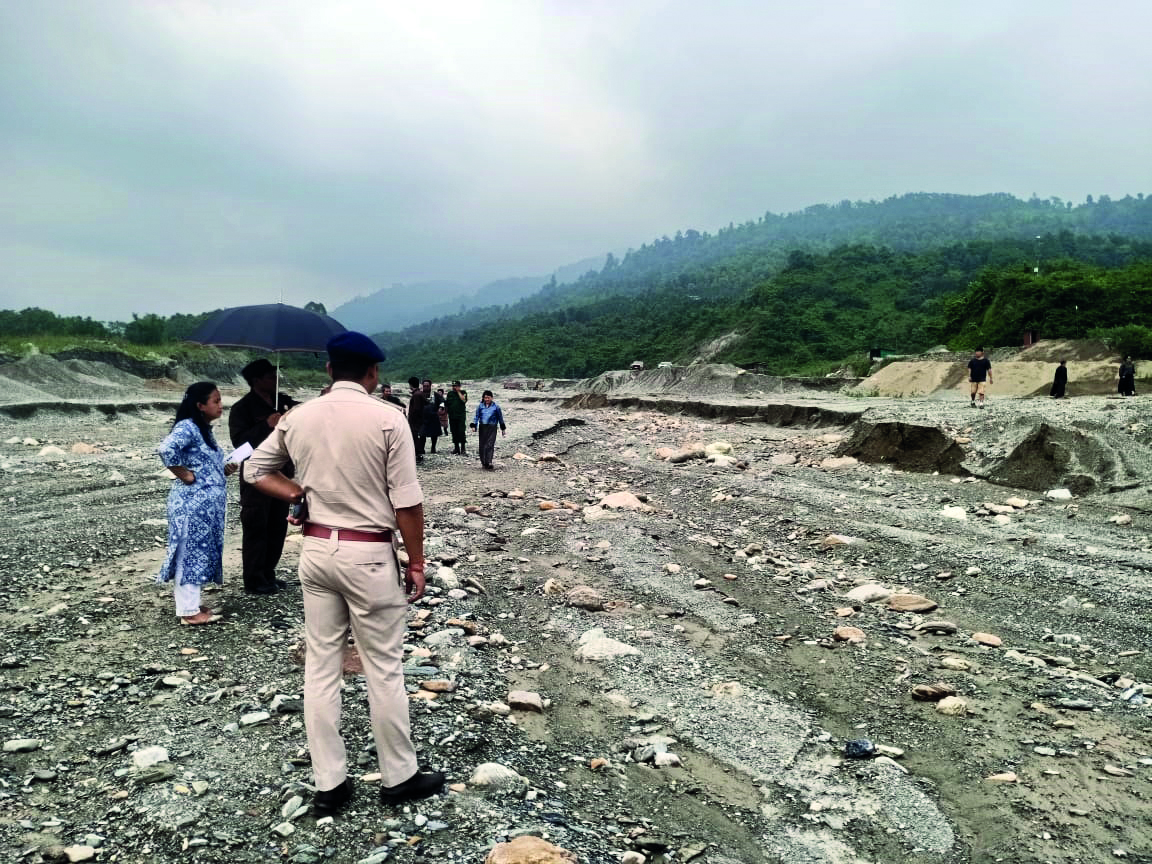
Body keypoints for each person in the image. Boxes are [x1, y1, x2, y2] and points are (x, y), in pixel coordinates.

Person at [243, 332, 445, 815]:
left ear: (329, 371)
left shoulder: (298, 416)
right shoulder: (388, 419)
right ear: (372, 374)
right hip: (369, 555)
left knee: (321, 665)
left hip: (316, 550)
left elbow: (255, 469)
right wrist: (416, 561)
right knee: (383, 667)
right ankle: (399, 776)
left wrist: (297, 494)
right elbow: (407, 501)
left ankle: (330, 784)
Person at [156, 382, 238, 625]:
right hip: (192, 504)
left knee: (199, 551)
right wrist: (185, 474)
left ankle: (192, 603)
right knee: (189, 552)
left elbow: (204, 466)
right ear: (200, 405)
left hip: (204, 506)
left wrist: (224, 469)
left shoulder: (203, 430)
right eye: (216, 401)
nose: (221, 405)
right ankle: (188, 612)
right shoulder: (188, 427)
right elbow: (165, 449)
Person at [229, 358, 299, 595]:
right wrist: (266, 425)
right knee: (256, 525)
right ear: (256, 381)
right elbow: (240, 446)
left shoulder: (284, 403)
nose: (275, 380)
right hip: (256, 478)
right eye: (270, 376)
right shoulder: (242, 409)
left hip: (283, 475)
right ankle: (254, 578)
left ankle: (269, 572)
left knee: (277, 525)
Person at [469, 390, 506, 469]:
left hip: (492, 427)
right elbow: (476, 417)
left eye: (488, 398)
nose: (487, 399)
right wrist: (474, 426)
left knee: (490, 444)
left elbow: (500, 418)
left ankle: (489, 462)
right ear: (483, 398)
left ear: (492, 398)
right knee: (482, 445)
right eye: (485, 398)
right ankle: (483, 462)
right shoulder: (480, 406)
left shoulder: (496, 407)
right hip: (483, 427)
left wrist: (503, 429)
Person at [407, 377, 428, 461]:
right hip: (419, 420)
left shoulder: (416, 395)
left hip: (415, 421)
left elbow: (416, 409)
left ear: (410, 385)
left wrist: (412, 418)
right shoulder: (420, 393)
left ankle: (418, 454)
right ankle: (418, 453)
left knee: (415, 437)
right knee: (418, 437)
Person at [419, 386, 443, 455]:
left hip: (434, 416)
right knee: (422, 434)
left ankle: (433, 448)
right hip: (423, 417)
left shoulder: (435, 394)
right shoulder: (420, 394)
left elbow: (442, 401)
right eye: (424, 385)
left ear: (430, 386)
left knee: (434, 434)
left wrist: (441, 408)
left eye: (427, 386)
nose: (426, 387)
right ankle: (422, 449)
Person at [445, 381, 468, 454]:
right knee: (454, 431)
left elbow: (464, 400)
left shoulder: (463, 392)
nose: (454, 387)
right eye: (453, 386)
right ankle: (456, 448)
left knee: (461, 431)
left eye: (456, 386)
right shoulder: (450, 394)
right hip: (452, 416)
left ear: (459, 386)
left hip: (460, 416)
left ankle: (463, 448)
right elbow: (447, 403)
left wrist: (458, 392)